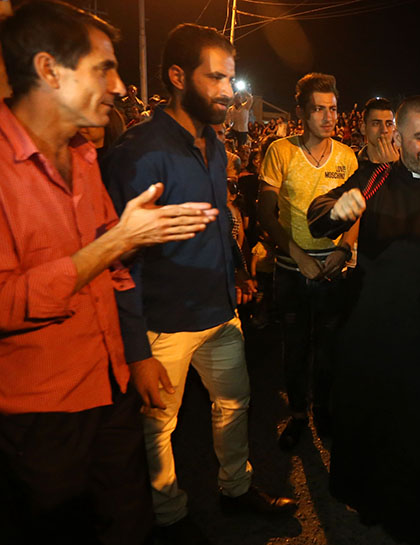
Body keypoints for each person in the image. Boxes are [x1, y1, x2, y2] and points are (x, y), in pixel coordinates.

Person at [0, 3, 218, 544]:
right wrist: (118, 241)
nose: (120, 87)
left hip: (112, 389)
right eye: (104, 69)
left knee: (130, 525)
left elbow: (117, 272)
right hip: (42, 416)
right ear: (49, 70)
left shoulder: (85, 156)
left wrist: (136, 357)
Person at [104, 23, 296, 543]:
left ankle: (236, 490)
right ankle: (168, 518)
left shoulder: (212, 142)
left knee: (234, 405)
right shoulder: (138, 153)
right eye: (216, 78)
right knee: (157, 430)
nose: (228, 91)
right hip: (163, 324)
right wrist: (136, 350)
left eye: (230, 78)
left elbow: (217, 220)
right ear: (177, 76)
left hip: (219, 312)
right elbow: (118, 260)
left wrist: (236, 272)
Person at [307, 95, 420, 545]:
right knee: (376, 428)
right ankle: (374, 503)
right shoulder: (375, 178)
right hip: (375, 336)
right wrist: (338, 211)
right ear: (398, 138)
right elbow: (320, 216)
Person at [257, 72, 359, 447]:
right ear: (301, 112)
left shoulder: (347, 156)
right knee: (296, 347)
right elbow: (265, 212)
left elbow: (356, 210)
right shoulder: (280, 151)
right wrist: (298, 256)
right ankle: (299, 414)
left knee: (330, 348)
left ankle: (323, 411)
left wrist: (343, 249)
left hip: (332, 270)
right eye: (319, 109)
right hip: (291, 270)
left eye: (333, 108)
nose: (329, 117)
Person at [357, 96, 398, 164]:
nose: (384, 130)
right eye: (376, 124)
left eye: (389, 124)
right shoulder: (351, 163)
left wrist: (396, 166)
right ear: (363, 128)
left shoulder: (408, 163)